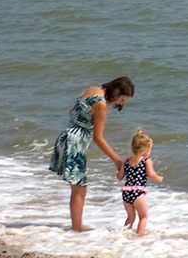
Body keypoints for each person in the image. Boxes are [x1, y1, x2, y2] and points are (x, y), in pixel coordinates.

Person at [49, 76, 134, 232]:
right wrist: (117, 161)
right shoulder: (100, 104)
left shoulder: (92, 89)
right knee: (79, 189)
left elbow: (72, 111)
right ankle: (76, 228)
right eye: (122, 99)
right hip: (76, 143)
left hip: (65, 136)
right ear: (116, 93)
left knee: (78, 187)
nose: (120, 104)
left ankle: (76, 226)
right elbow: (98, 138)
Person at [118, 129, 163, 236]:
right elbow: (151, 174)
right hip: (138, 192)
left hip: (126, 192)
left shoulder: (127, 161)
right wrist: (159, 178)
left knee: (131, 217)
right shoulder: (146, 161)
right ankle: (140, 237)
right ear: (145, 150)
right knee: (143, 217)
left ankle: (123, 235)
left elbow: (119, 176)